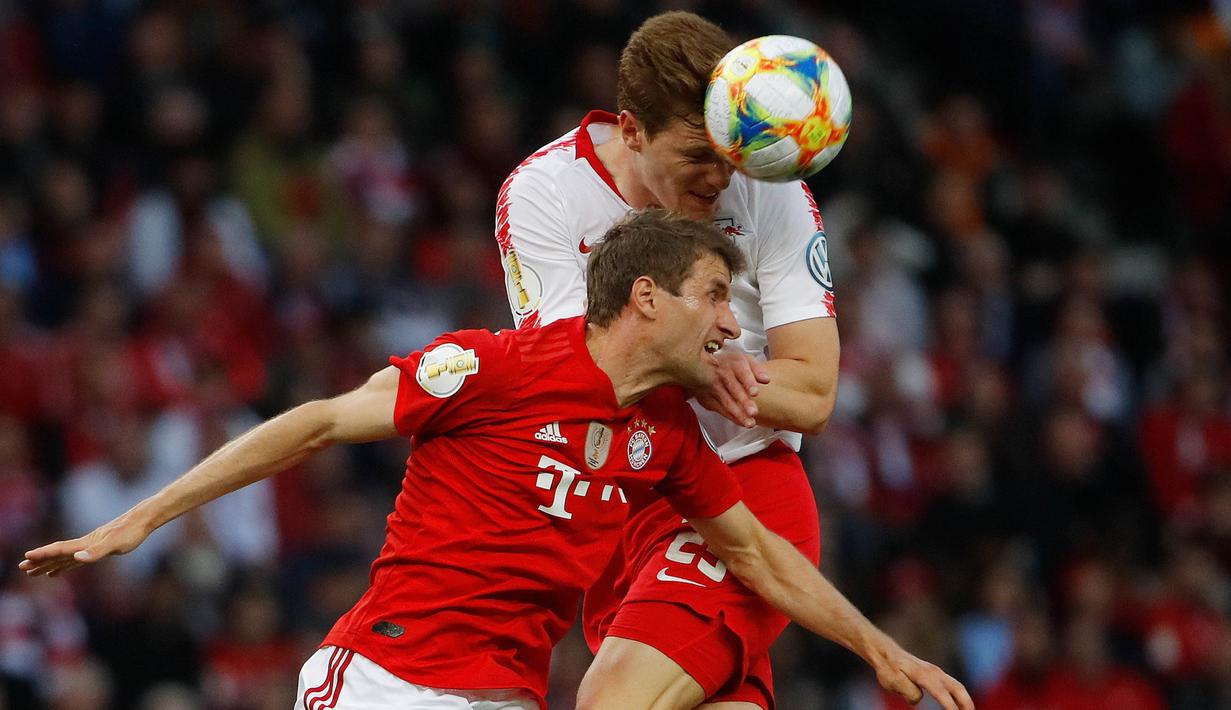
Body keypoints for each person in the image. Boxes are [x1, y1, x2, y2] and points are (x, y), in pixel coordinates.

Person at [21, 211, 970, 710]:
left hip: (504, 700)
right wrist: (139, 519)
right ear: (647, 297)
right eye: (715, 293)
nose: (733, 318)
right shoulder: (492, 365)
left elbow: (760, 558)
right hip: (386, 683)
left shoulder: (668, 437)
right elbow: (311, 423)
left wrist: (878, 648)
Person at [494, 11, 969, 710]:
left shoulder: (771, 189)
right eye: (695, 156)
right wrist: (711, 366)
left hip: (744, 487)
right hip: (617, 509)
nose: (719, 176)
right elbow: (582, 379)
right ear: (630, 131)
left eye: (726, 151)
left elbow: (810, 391)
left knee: (610, 703)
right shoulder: (542, 194)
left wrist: (683, 365)